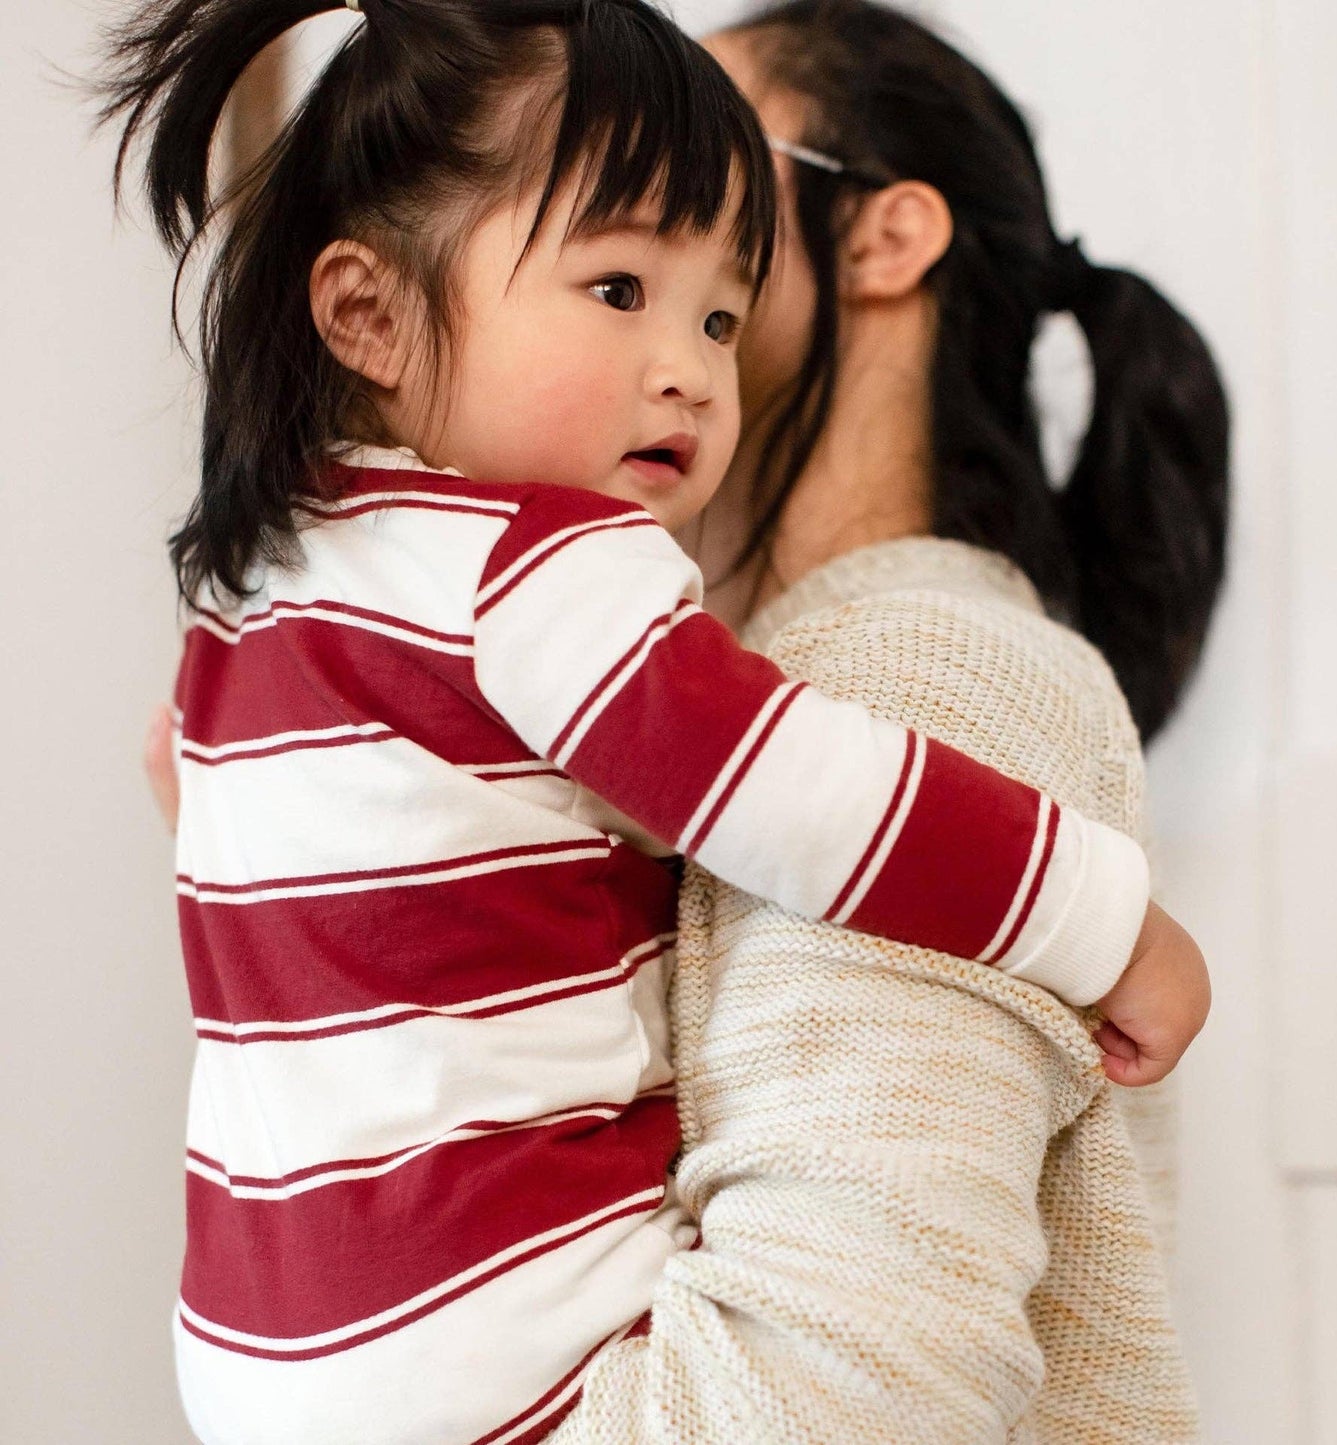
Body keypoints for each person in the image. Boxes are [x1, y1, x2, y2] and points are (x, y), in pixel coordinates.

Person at [105, 0, 1209, 1441]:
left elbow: (848, 1392)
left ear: (886, 240)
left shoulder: (262, 589)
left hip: (252, 1351)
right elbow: (810, 796)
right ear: (368, 313)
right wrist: (1102, 921)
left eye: (721, 307)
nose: (688, 361)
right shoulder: (543, 574)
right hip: (483, 1346)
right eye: (620, 283)